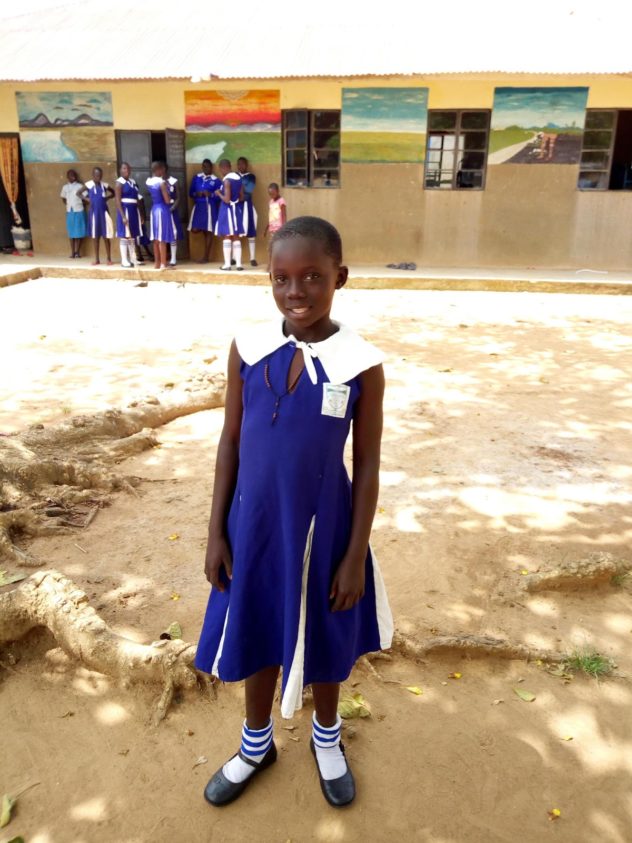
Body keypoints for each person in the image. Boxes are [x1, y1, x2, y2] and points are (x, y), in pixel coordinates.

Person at [195, 216, 393, 809]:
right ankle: (256, 743)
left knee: (328, 632)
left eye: (312, 276)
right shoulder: (248, 348)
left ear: (341, 278)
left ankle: (325, 737)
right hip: (253, 526)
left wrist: (354, 555)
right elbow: (230, 442)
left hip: (326, 527)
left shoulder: (361, 364)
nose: (296, 292)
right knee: (256, 622)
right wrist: (215, 532)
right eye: (281, 278)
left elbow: (369, 466)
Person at [213, 158, 244, 271]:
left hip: (227, 210)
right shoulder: (238, 179)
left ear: (224, 167)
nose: (221, 171)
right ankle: (239, 264)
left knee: (227, 235)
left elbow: (226, 199)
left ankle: (227, 264)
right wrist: (234, 201)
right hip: (236, 210)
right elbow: (242, 197)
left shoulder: (226, 181)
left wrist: (218, 193)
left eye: (221, 169)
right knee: (236, 236)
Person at [188, 159, 220, 264]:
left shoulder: (216, 180)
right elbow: (190, 192)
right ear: (202, 167)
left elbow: (220, 196)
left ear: (211, 167)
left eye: (208, 167)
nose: (206, 168)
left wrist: (210, 195)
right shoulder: (197, 178)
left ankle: (206, 257)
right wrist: (196, 194)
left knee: (208, 231)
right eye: (204, 166)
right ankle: (205, 255)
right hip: (199, 206)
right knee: (195, 229)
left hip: (210, 207)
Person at [82, 167, 114, 265]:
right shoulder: (88, 185)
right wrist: (87, 199)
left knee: (106, 236)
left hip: (104, 213)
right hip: (94, 214)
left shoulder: (104, 185)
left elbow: (113, 193)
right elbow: (78, 193)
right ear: (93, 175)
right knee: (95, 237)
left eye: (100, 175)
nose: (98, 177)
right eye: (96, 175)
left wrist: (107, 198)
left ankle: (108, 258)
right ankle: (97, 259)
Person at [146, 160, 175, 271]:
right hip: (162, 210)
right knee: (162, 237)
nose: (163, 171)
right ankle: (163, 264)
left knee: (155, 237)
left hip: (154, 209)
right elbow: (167, 200)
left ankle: (157, 263)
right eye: (162, 169)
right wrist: (171, 198)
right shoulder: (161, 183)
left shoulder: (149, 182)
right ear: (158, 170)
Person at [115, 163, 143, 268]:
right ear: (120, 170)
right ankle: (124, 260)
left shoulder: (133, 182)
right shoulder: (119, 183)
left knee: (132, 236)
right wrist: (122, 216)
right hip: (125, 210)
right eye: (124, 168)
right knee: (124, 235)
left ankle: (133, 258)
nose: (127, 170)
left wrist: (140, 214)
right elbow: (117, 201)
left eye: (128, 168)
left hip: (133, 210)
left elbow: (137, 198)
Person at [60, 169, 87, 258]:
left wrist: (81, 203)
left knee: (79, 232)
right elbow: (63, 198)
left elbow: (86, 197)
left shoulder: (80, 186)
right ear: (67, 177)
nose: (73, 176)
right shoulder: (65, 187)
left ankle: (77, 252)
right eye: (71, 175)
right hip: (70, 211)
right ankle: (72, 252)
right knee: (71, 233)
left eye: (74, 175)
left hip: (79, 210)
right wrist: (68, 204)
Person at [237, 156, 257, 266]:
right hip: (237, 206)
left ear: (246, 165)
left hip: (247, 206)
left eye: (242, 164)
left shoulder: (251, 177)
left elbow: (249, 190)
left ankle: (252, 258)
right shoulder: (234, 176)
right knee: (235, 232)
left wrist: (239, 189)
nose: (240, 166)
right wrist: (242, 189)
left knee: (250, 231)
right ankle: (234, 258)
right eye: (238, 164)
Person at [165, 164, 183, 267]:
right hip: (162, 209)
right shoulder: (157, 181)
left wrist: (173, 207)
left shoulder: (174, 181)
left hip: (172, 209)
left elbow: (178, 197)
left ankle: (173, 258)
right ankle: (163, 257)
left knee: (173, 233)